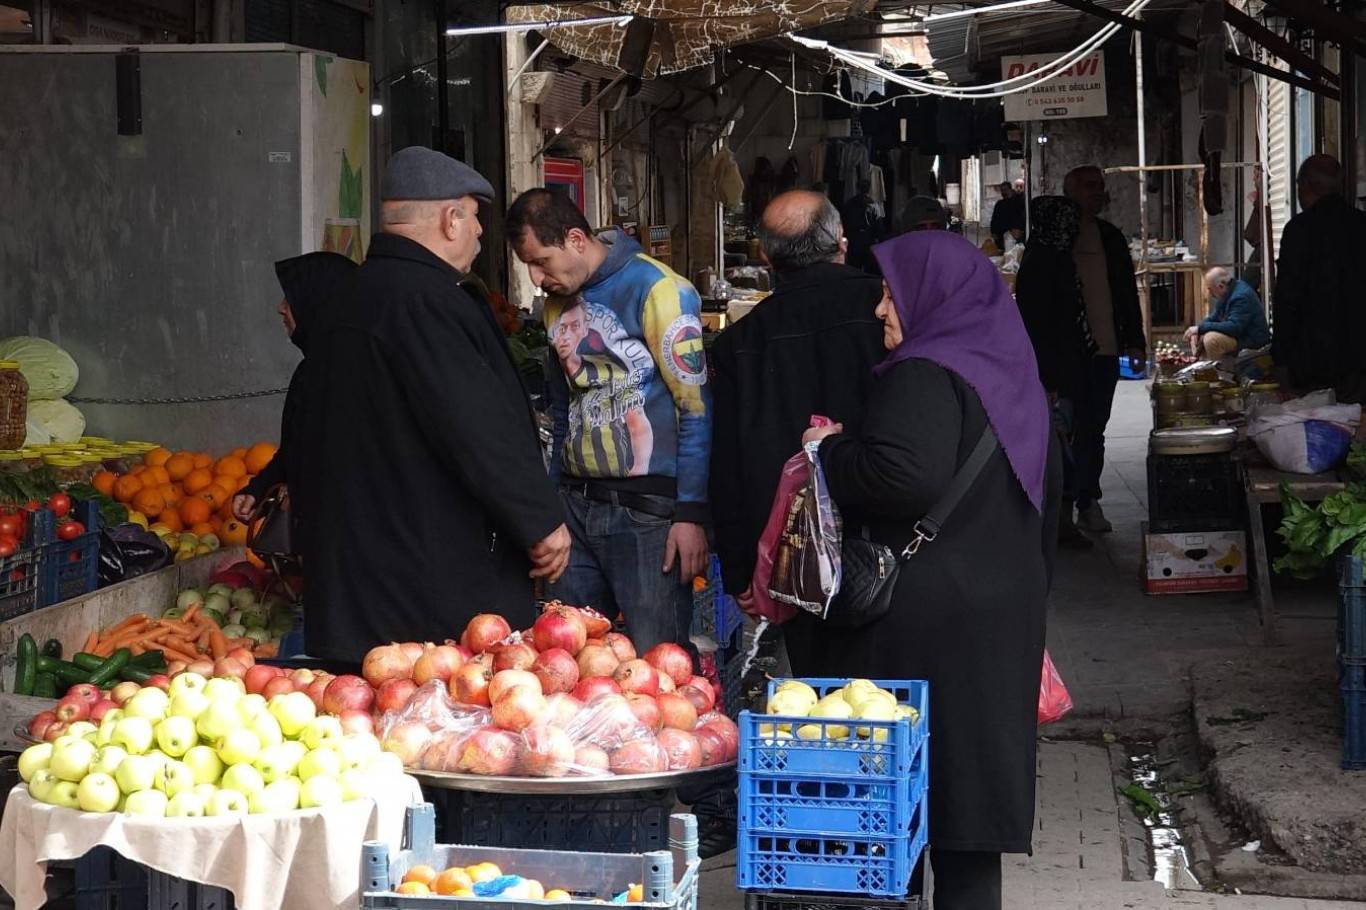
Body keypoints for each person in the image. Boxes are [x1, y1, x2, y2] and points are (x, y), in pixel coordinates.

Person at [797, 231, 1052, 910]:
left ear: (931, 298)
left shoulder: (924, 370)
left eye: (891, 293)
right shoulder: (1004, 367)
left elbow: (901, 473)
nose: (881, 309)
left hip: (928, 621)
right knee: (967, 817)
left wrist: (833, 452)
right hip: (996, 609)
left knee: (902, 806)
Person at [297, 147, 569, 664]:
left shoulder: (346, 299)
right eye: (475, 219)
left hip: (354, 579)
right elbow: (476, 427)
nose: (481, 234)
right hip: (427, 586)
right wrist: (538, 520)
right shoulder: (428, 301)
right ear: (450, 219)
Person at [506, 188, 711, 653]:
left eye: (541, 262)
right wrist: (552, 500)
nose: (538, 280)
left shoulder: (660, 290)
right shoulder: (558, 303)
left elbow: (695, 408)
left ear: (576, 239)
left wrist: (691, 512)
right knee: (567, 660)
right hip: (575, 508)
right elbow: (562, 411)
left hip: (647, 514)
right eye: (529, 267)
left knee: (655, 666)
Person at [709, 190, 886, 602]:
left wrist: (740, 569)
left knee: (810, 666)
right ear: (841, 238)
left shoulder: (740, 340)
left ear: (767, 259)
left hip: (792, 556)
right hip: (887, 536)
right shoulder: (885, 307)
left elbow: (727, 463)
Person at [231, 252, 355, 529]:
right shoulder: (315, 370)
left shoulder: (350, 377)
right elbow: (298, 448)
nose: (281, 308)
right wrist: (259, 489)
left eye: (292, 298)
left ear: (318, 303)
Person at [1063, 165, 1147, 534]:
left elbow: (1127, 294)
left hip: (1105, 351)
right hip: (1064, 355)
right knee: (1063, 430)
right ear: (1070, 191)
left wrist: (1136, 343)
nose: (1097, 193)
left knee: (1094, 428)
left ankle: (1088, 500)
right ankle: (1063, 504)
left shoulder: (1110, 238)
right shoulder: (1055, 238)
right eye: (1089, 186)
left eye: (1100, 186)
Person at [1015, 195, 1096, 549]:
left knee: (1066, 444)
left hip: (1064, 369)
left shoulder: (1051, 257)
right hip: (1053, 374)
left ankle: (1060, 523)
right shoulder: (1045, 264)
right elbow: (1040, 329)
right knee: (1059, 450)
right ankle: (1058, 525)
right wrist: (1048, 380)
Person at [1274, 154, 1366, 403]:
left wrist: (1280, 360)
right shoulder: (1361, 226)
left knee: (1320, 430)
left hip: (1312, 361)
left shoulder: (1299, 230)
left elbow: (1287, 299)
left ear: (1305, 185)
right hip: (1358, 361)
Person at [1184, 266, 1270, 359]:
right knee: (1202, 336)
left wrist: (1200, 328)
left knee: (1212, 339)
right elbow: (1214, 317)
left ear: (1221, 286)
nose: (1210, 293)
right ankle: (1204, 367)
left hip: (1251, 341)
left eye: (1210, 289)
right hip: (1240, 337)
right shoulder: (1227, 292)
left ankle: (1219, 371)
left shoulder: (1241, 296)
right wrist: (1199, 330)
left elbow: (1234, 327)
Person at [839, 178, 884, 273]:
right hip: (868, 240)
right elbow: (878, 225)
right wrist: (879, 239)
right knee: (869, 271)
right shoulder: (874, 205)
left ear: (857, 188)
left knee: (853, 269)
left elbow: (844, 221)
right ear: (869, 189)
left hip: (854, 239)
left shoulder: (849, 204)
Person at [989, 180, 1026, 250]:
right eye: (1002, 190)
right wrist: (993, 232)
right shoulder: (999, 204)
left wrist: (1018, 229)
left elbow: (1021, 216)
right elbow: (994, 220)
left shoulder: (1018, 201)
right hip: (1001, 237)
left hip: (1014, 236)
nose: (1004, 192)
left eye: (1005, 190)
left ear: (1010, 190)